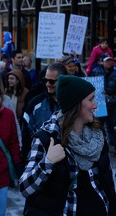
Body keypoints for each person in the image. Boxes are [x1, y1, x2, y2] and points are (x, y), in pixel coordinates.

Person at [19, 75, 116, 216]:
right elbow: (25, 188)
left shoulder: (98, 136)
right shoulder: (47, 138)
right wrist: (48, 162)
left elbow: (107, 183)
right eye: (91, 99)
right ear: (75, 104)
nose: (95, 105)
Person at [21, 62, 66, 163]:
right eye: (45, 80)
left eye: (51, 81)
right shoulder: (34, 104)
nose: (47, 84)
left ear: (62, 80)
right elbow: (26, 135)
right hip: (39, 161)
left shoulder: (73, 104)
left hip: (67, 163)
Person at [89, 54, 116, 151]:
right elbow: (90, 84)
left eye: (110, 60)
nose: (109, 62)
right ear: (101, 61)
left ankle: (113, 145)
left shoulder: (114, 72)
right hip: (99, 104)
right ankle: (100, 145)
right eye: (107, 60)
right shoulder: (95, 71)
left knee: (112, 126)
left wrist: (107, 90)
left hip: (112, 103)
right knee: (98, 125)